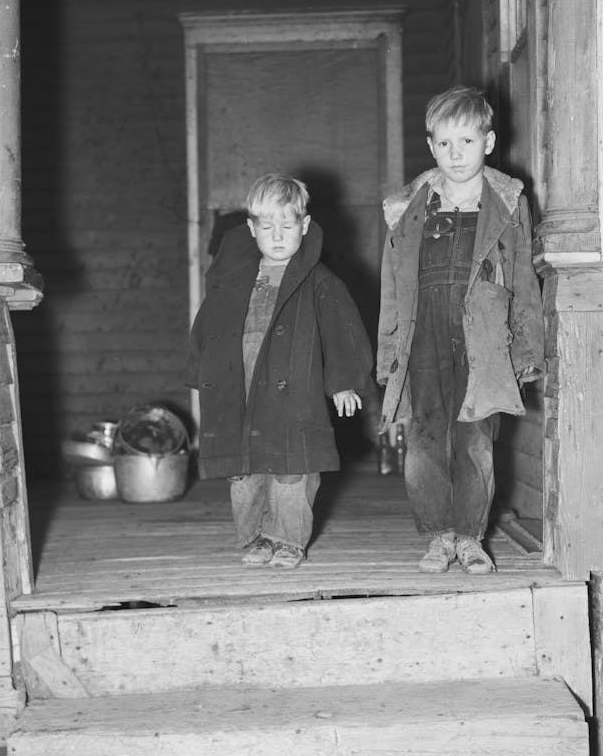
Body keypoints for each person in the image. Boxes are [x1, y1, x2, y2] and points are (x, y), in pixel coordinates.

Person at [376, 85, 544, 575]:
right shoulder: (406, 208)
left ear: (488, 142)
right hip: (423, 333)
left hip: (484, 341)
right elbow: (392, 285)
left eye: (467, 142)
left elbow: (523, 282)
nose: (456, 155)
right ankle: (438, 536)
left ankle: (471, 536)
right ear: (431, 146)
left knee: (475, 440)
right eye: (445, 144)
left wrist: (527, 349)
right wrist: (389, 349)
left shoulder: (509, 203)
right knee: (426, 438)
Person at [186, 173, 374, 569]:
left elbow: (343, 333)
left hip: (294, 395)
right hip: (241, 392)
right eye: (267, 226)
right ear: (251, 229)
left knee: (293, 472)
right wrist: (199, 375)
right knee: (246, 472)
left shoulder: (320, 282)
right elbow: (207, 329)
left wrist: (342, 383)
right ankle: (253, 537)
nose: (277, 236)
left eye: (287, 225)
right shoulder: (232, 281)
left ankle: (287, 540)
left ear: (304, 226)